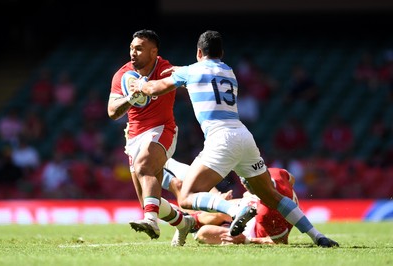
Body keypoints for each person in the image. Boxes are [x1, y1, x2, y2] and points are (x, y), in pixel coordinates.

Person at [130, 30, 339, 247]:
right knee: (271, 196)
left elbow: (156, 87)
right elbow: (203, 72)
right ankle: (317, 236)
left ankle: (235, 208)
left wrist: (140, 86)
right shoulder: (229, 71)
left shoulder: (192, 71)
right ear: (221, 52)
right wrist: (183, 71)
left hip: (220, 138)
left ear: (198, 52)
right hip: (244, 136)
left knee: (186, 196)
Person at [107, 29, 195, 246]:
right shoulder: (123, 74)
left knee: (144, 166)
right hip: (134, 137)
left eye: (139, 48)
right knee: (148, 199)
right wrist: (130, 98)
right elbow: (112, 111)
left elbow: (188, 74)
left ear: (154, 51)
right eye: (131, 48)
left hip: (162, 129)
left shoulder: (165, 69)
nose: (133, 53)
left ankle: (151, 221)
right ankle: (185, 224)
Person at [193, 168, 298, 245]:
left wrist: (246, 240)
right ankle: (190, 221)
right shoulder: (276, 172)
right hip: (257, 203)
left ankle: (188, 223)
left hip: (255, 229)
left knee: (203, 232)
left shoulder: (264, 212)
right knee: (217, 211)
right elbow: (291, 180)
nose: (244, 186)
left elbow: (280, 242)